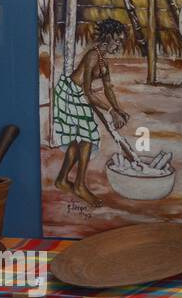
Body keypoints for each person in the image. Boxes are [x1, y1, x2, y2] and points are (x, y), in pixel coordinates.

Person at [52, 18, 129, 208]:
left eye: (121, 41)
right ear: (107, 38)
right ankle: (79, 185)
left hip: (77, 93)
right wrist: (111, 111)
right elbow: (87, 92)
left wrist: (118, 109)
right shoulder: (93, 56)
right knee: (88, 137)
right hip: (70, 93)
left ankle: (62, 179)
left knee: (77, 140)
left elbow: (108, 88)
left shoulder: (103, 60)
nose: (119, 45)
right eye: (117, 41)